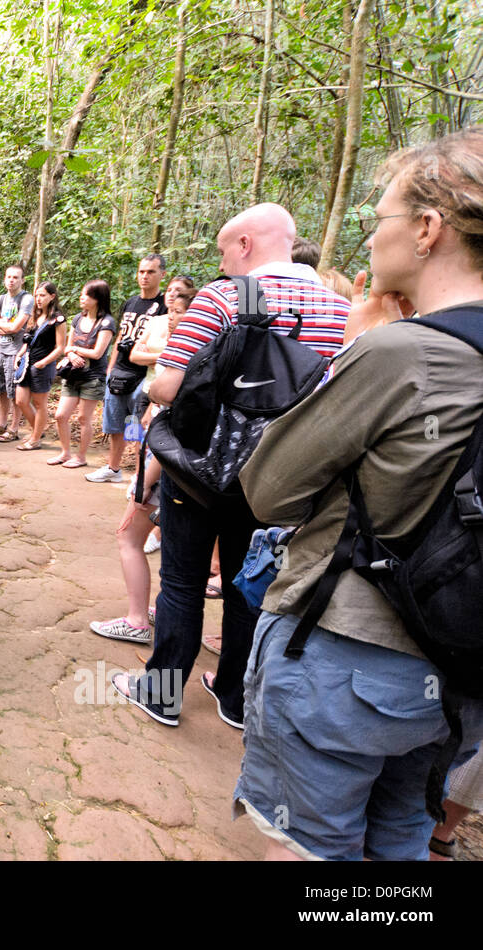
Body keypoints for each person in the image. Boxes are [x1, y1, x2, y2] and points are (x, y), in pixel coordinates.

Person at [231, 131, 483, 860]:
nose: (374, 237)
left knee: (308, 846)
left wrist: (355, 356)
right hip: (458, 667)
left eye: (382, 219)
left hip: (347, 654)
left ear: (429, 230)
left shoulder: (402, 352)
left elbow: (269, 489)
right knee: (401, 829)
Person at [110, 203, 350, 733]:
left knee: (182, 580)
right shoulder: (341, 308)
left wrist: (149, 385)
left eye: (223, 250)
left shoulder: (223, 297)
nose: (222, 262)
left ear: (244, 244)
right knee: (248, 584)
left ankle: (162, 691)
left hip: (201, 470)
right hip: (280, 479)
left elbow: (169, 388)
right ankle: (233, 695)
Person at [89, 276, 195, 644]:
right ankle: (160, 609)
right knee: (177, 550)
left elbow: (173, 440)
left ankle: (136, 621)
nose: (171, 318)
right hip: (189, 473)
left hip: (169, 468)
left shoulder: (184, 371)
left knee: (128, 536)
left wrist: (143, 482)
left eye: (179, 312)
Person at [88, 255, 166, 484]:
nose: (145, 276)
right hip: (119, 373)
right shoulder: (131, 302)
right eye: (142, 271)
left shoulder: (164, 306)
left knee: (138, 426)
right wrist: (110, 369)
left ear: (162, 274)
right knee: (115, 425)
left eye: (151, 272)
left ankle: (140, 475)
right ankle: (114, 469)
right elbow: (121, 335)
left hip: (143, 376)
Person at [49, 280, 114, 468]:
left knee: (84, 418)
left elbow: (97, 353)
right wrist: (71, 353)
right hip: (72, 375)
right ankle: (65, 453)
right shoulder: (77, 318)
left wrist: (75, 350)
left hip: (92, 377)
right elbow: (67, 346)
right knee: (61, 415)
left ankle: (81, 457)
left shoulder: (107, 323)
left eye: (86, 295)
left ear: (97, 299)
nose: (81, 297)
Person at [13, 282, 67, 450]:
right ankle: (38, 430)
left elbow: (60, 347)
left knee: (39, 404)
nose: (38, 299)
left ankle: (35, 439)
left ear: (52, 296)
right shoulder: (34, 316)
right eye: (36, 295)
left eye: (42, 295)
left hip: (43, 367)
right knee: (21, 401)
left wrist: (44, 362)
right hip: (27, 363)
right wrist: (19, 355)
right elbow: (27, 342)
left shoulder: (57, 319)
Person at [0, 265, 34, 443]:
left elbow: (17, 328)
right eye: (8, 276)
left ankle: (14, 428)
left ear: (22, 280)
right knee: (0, 389)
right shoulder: (1, 299)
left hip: (15, 352)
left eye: (15, 277)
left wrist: (3, 325)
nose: (11, 280)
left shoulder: (26, 299)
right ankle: (1, 423)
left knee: (14, 393)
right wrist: (6, 326)